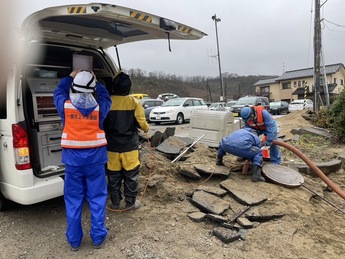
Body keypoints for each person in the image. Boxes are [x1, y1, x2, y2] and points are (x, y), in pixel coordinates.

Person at [54, 69, 111, 251]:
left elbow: (58, 92)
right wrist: (97, 82)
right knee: (97, 198)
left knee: (73, 200)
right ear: (93, 89)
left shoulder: (65, 106)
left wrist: (70, 76)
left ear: (74, 87)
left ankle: (74, 240)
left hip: (73, 163)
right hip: (95, 162)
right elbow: (106, 97)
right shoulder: (100, 108)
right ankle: (98, 237)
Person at [104, 71, 149, 211]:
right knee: (131, 176)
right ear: (128, 88)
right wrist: (146, 129)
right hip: (129, 147)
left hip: (111, 147)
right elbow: (143, 125)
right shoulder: (134, 102)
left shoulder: (107, 102)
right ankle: (130, 203)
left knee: (113, 176)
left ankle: (115, 202)